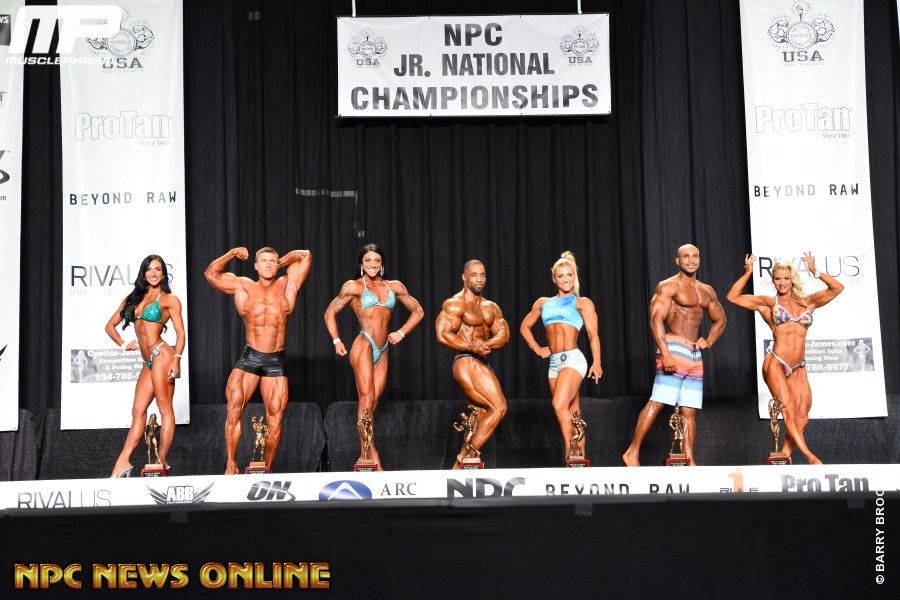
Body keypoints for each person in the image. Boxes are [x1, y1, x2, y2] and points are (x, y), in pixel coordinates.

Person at [726, 251, 843, 464]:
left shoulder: (808, 302)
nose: (782, 282)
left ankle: (783, 456)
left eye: (786, 278)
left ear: (792, 279)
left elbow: (837, 288)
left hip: (798, 366)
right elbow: (732, 297)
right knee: (788, 412)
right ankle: (811, 457)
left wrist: (815, 271)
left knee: (802, 417)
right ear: (773, 280)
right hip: (776, 363)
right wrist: (748, 273)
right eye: (778, 278)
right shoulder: (768, 303)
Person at [205, 246, 312, 474]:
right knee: (234, 408)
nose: (269, 265)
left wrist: (280, 262)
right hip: (251, 356)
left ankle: (266, 468)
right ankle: (231, 465)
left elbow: (305, 255)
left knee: (275, 417)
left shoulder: (288, 284)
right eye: (264, 261)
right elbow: (210, 274)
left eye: (272, 261)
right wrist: (231, 254)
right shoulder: (242, 285)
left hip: (275, 360)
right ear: (255, 265)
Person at [622, 244, 726, 466]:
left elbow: (721, 320)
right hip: (674, 347)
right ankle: (632, 451)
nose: (691, 260)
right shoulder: (668, 286)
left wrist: (709, 340)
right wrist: (665, 353)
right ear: (677, 261)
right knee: (658, 402)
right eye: (686, 256)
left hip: (694, 354)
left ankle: (689, 459)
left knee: (690, 411)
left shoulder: (707, 290)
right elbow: (656, 319)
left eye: (695, 256)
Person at [324, 243, 424, 470]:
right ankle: (368, 455)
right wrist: (337, 340)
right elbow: (330, 312)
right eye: (368, 260)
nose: (372, 264)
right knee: (366, 399)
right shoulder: (353, 286)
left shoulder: (394, 286)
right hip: (364, 344)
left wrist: (401, 332)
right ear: (361, 263)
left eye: (376, 260)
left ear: (382, 264)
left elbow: (418, 311)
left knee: (373, 401)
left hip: (383, 348)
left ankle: (367, 451)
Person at [105, 254, 185, 477]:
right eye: (149, 269)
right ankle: (123, 462)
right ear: (144, 273)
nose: (153, 273)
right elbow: (110, 326)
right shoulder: (133, 298)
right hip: (147, 361)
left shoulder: (169, 300)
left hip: (163, 355)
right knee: (137, 411)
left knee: (164, 408)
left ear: (163, 274)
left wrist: (177, 358)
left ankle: (161, 461)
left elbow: (180, 333)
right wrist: (123, 344)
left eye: (158, 269)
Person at [519, 251, 602, 463]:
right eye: (561, 276)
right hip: (554, 363)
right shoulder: (543, 302)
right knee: (572, 412)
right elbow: (524, 327)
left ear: (575, 276)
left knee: (558, 405)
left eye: (569, 275)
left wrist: (597, 362)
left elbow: (592, 334)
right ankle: (578, 462)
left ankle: (572, 453)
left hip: (573, 359)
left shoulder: (582, 303)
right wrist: (538, 348)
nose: (566, 279)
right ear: (554, 278)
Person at [435, 259, 510, 469]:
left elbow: (504, 333)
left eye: (482, 275)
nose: (479, 279)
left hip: (481, 362)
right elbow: (442, 334)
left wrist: (486, 344)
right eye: (474, 275)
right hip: (466, 360)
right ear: (464, 277)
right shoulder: (455, 304)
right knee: (499, 407)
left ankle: (458, 469)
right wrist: (472, 346)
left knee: (482, 415)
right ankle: (464, 457)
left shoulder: (490, 306)